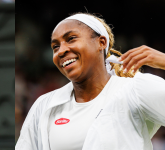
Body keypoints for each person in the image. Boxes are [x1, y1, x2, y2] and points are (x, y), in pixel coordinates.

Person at [15, 13, 165, 150]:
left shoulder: (134, 90)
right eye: (55, 46)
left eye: (71, 39)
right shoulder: (44, 105)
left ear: (101, 42)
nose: (61, 51)